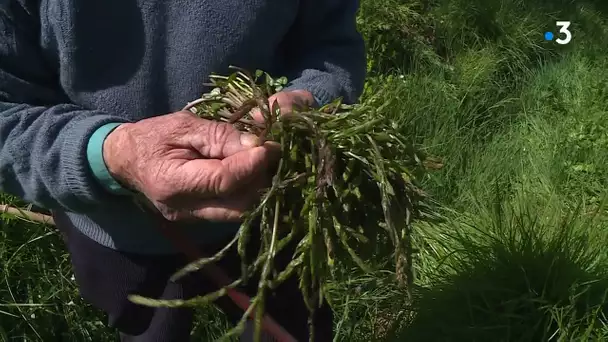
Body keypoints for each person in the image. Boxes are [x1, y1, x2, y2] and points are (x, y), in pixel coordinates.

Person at [0, 0, 366, 341]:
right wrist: (110, 155)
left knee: (291, 321)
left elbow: (330, 45)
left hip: (268, 210)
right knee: (149, 326)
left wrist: (312, 99)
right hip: (115, 231)